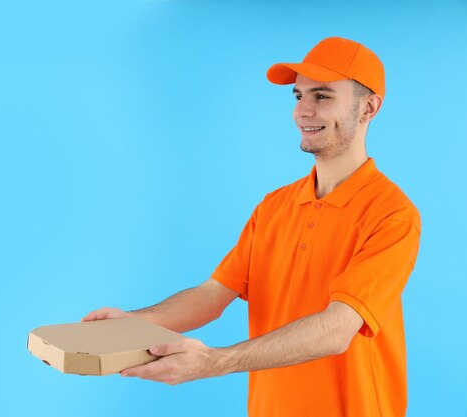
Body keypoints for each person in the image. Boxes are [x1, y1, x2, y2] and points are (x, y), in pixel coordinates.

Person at [83, 37, 421, 417]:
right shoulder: (275, 206)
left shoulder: (392, 214)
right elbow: (212, 296)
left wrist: (213, 361)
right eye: (298, 96)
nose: (302, 111)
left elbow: (337, 329)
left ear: (368, 108)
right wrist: (133, 322)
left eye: (322, 96)